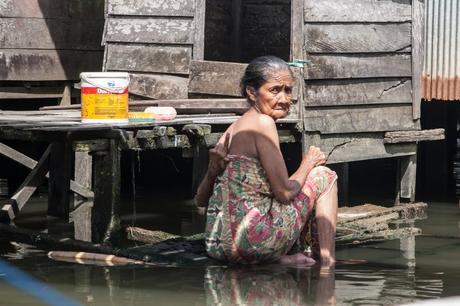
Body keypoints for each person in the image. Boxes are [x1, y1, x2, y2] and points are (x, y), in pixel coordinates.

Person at [195, 55, 338, 266]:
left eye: (288, 90)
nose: (284, 98)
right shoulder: (263, 123)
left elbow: (199, 201)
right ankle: (327, 261)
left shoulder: (233, 128)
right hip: (252, 243)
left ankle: (282, 259)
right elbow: (285, 193)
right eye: (275, 90)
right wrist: (308, 162)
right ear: (252, 93)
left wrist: (212, 170)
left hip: (218, 246)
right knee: (324, 176)